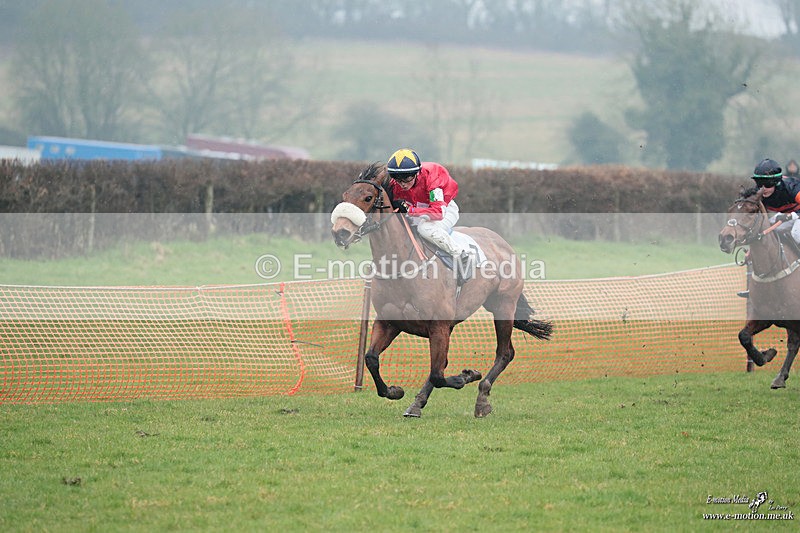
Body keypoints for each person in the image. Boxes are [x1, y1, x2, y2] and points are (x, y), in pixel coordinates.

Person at [386, 148, 473, 284]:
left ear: (417, 173)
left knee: (425, 229)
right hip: (418, 209)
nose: (402, 183)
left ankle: (461, 256)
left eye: (407, 178)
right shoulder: (395, 184)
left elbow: (438, 212)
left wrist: (411, 210)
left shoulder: (432, 177)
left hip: (444, 209)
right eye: (397, 179)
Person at [738, 158, 800, 297]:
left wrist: (792, 216)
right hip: (786, 215)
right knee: (767, 235)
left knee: (797, 233)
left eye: (766, 184)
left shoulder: (792, 187)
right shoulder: (759, 195)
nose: (763, 188)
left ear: (776, 182)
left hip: (797, 214)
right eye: (759, 184)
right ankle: (755, 286)